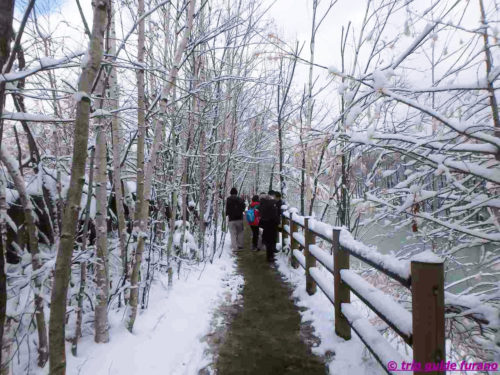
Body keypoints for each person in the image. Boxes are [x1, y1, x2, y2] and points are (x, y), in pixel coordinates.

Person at [258, 190, 280, 262]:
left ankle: (269, 256)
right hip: (272, 225)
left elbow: (261, 214)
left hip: (266, 225)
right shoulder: (273, 203)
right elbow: (275, 215)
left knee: (268, 241)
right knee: (272, 241)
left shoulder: (263, 203)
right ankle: (271, 257)